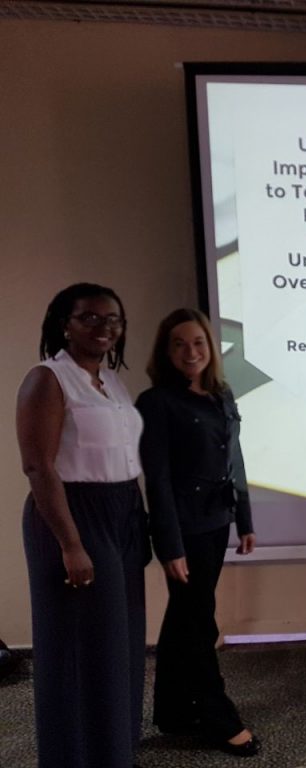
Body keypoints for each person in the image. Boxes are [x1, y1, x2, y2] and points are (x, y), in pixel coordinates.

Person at [16, 283, 149, 768]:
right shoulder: (48, 378)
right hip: (72, 514)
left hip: (122, 514)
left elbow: (124, 457)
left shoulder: (112, 382)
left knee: (120, 642)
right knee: (78, 645)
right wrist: (70, 544)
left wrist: (139, 523)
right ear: (64, 323)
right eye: (89, 318)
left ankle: (114, 751)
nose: (104, 328)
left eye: (113, 319)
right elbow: (38, 467)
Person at [136, 308, 260, 758]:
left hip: (216, 522)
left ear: (211, 348)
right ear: (165, 351)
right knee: (198, 621)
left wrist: (244, 518)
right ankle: (217, 716)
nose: (191, 352)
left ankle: (172, 711)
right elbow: (158, 478)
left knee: (185, 617)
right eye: (179, 344)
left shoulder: (221, 395)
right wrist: (168, 545)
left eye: (199, 343)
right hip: (183, 530)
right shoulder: (156, 402)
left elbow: (235, 459)